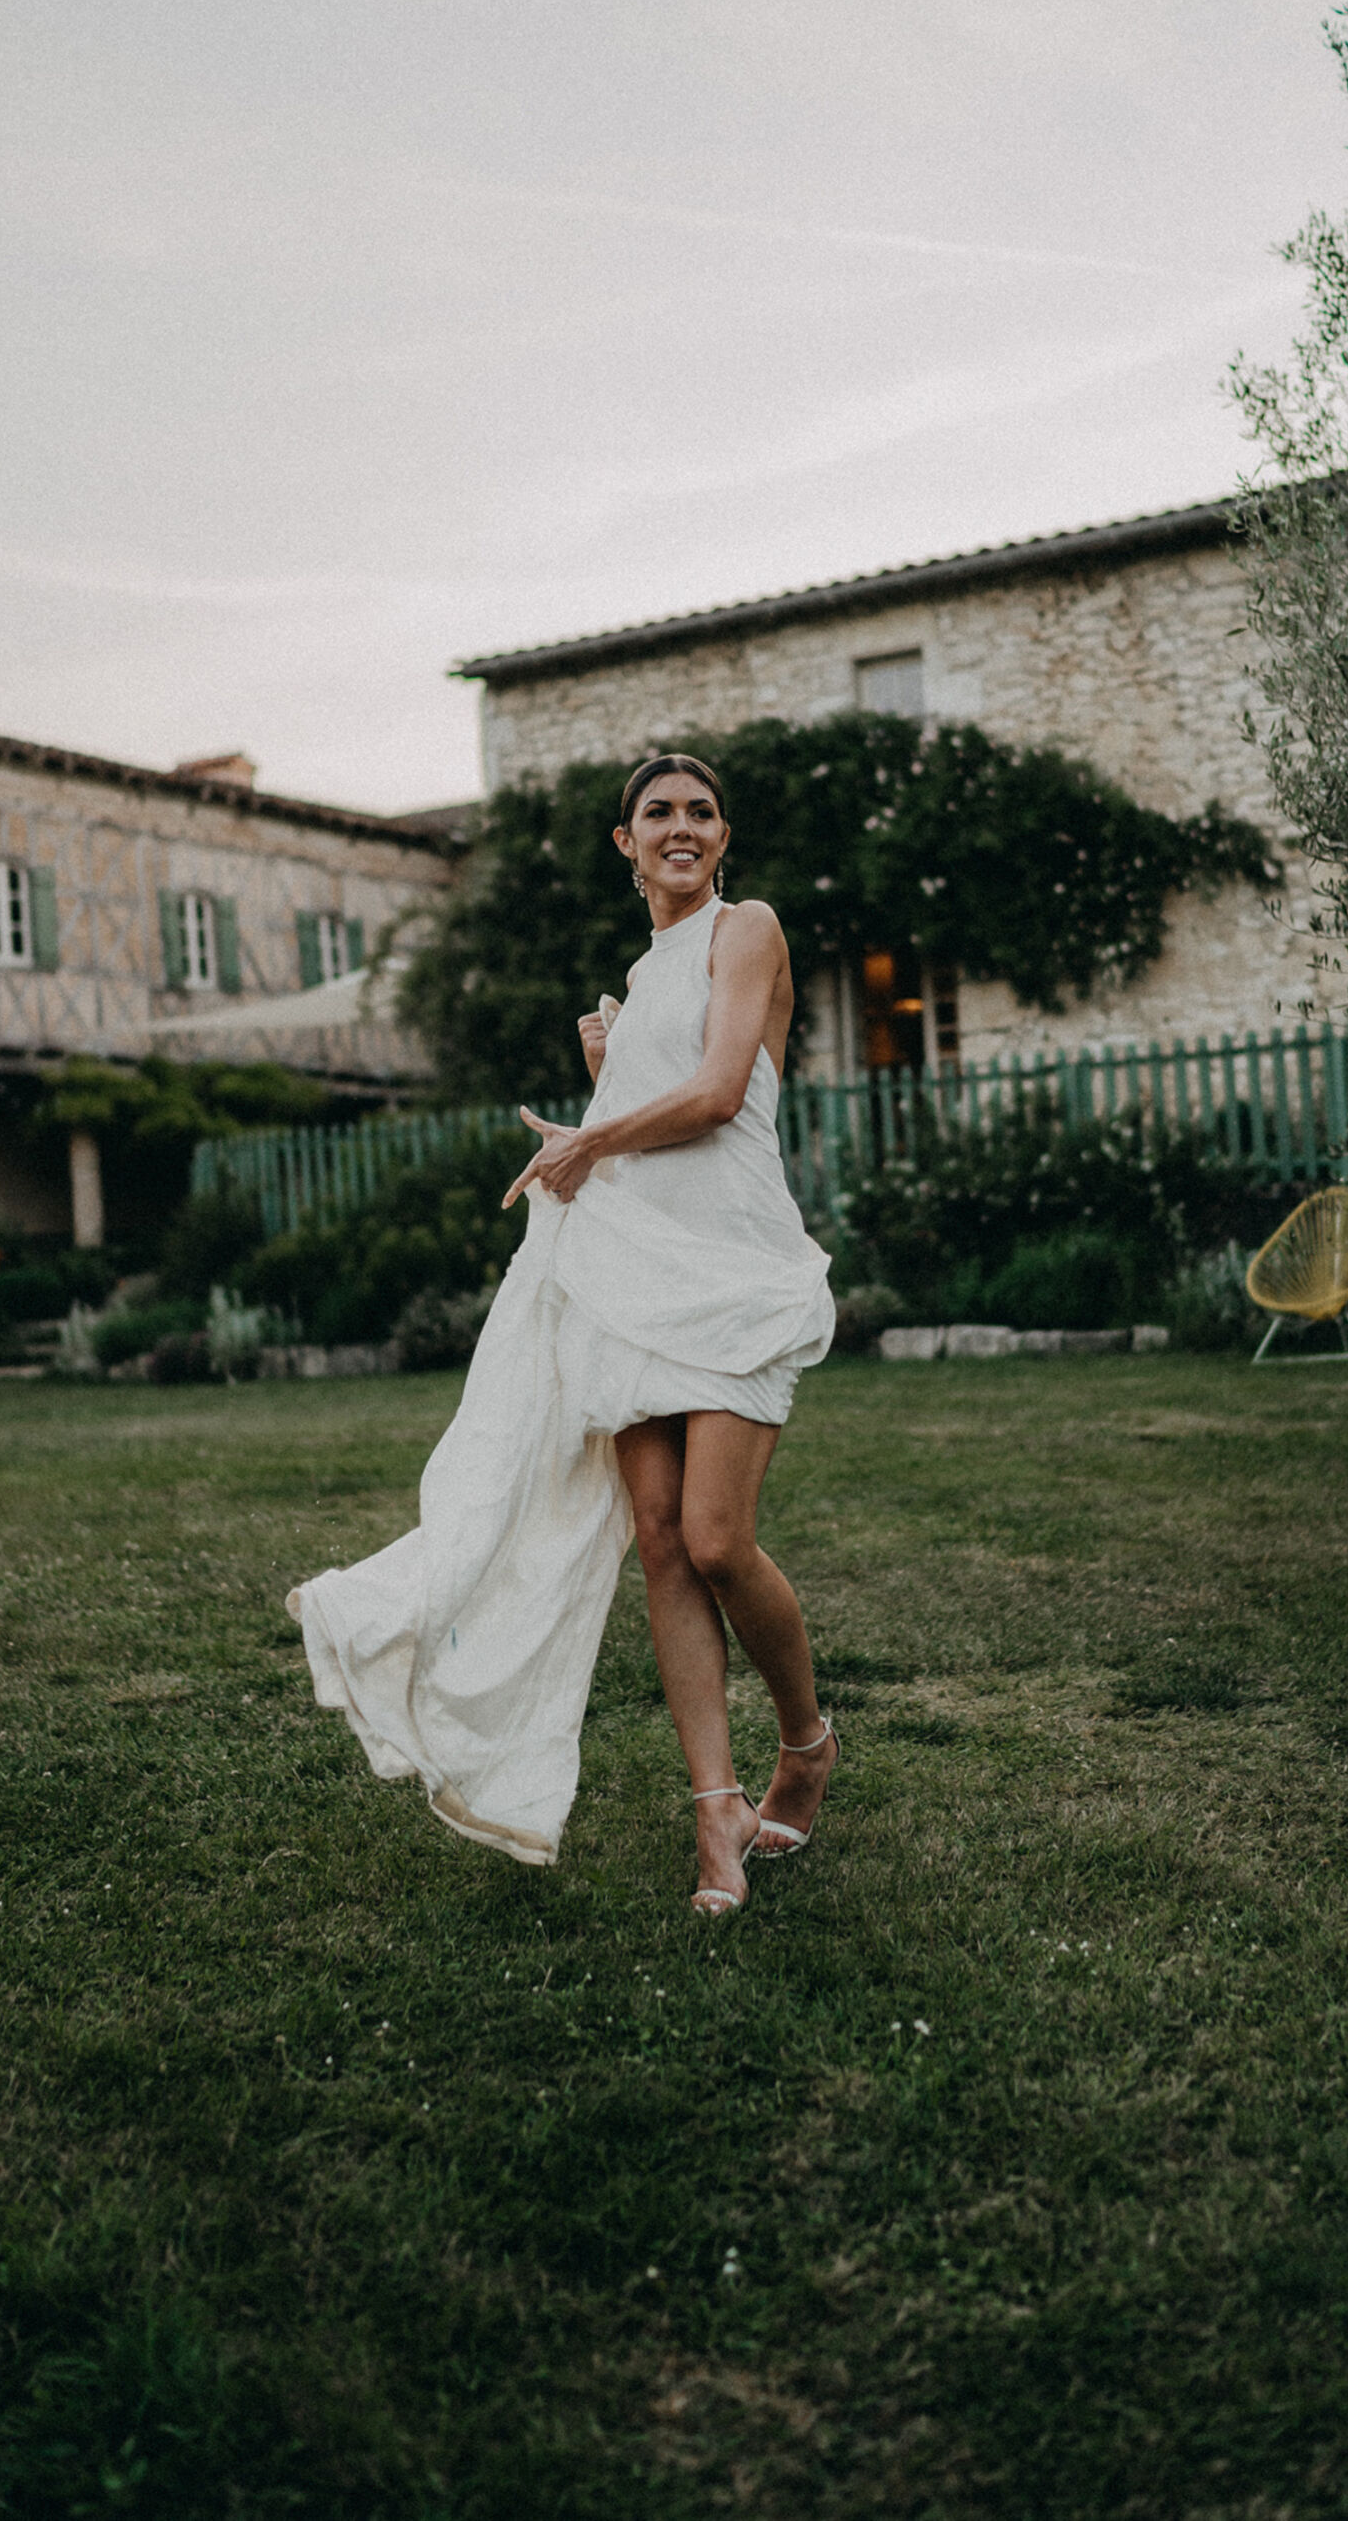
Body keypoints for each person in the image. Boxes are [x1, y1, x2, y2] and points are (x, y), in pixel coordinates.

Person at [292, 754, 839, 1911]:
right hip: (628, 1277)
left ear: (722, 836)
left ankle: (806, 1741)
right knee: (656, 1539)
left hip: (732, 1276)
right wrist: (596, 1095)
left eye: (699, 811)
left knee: (718, 1539)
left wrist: (592, 1136)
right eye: (658, 815)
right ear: (624, 844)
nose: (680, 828)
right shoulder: (635, 983)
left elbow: (723, 1092)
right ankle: (716, 1815)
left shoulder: (748, 930)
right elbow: (646, 1125)